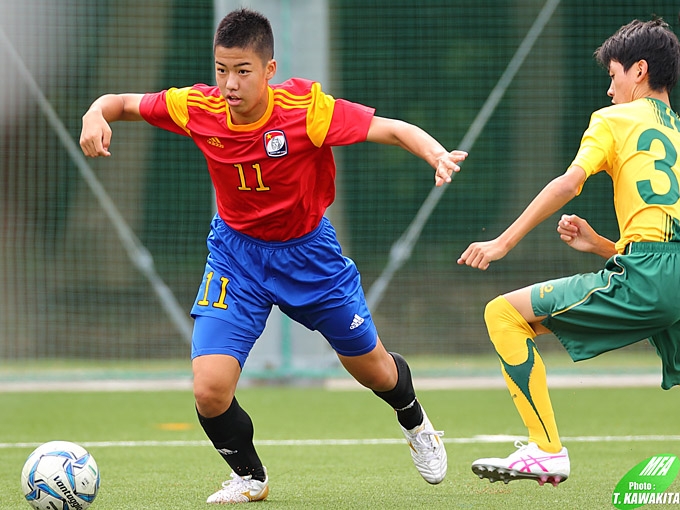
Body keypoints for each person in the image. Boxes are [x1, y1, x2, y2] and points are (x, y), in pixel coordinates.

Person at [80, 7, 467, 504]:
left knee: (374, 370)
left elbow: (389, 129)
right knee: (209, 389)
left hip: (309, 256)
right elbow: (120, 103)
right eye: (222, 70)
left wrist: (434, 152)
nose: (229, 83)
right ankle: (250, 477)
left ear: (269, 70)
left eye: (242, 71)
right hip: (235, 258)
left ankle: (415, 423)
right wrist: (95, 113)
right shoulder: (198, 107)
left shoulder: (306, 110)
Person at [457, 18, 680, 487]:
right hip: (668, 271)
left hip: (649, 275)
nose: (609, 89)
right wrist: (601, 246)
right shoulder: (677, 132)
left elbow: (568, 184)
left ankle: (546, 450)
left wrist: (502, 242)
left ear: (639, 71)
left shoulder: (613, 120)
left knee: (504, 315)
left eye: (614, 74)